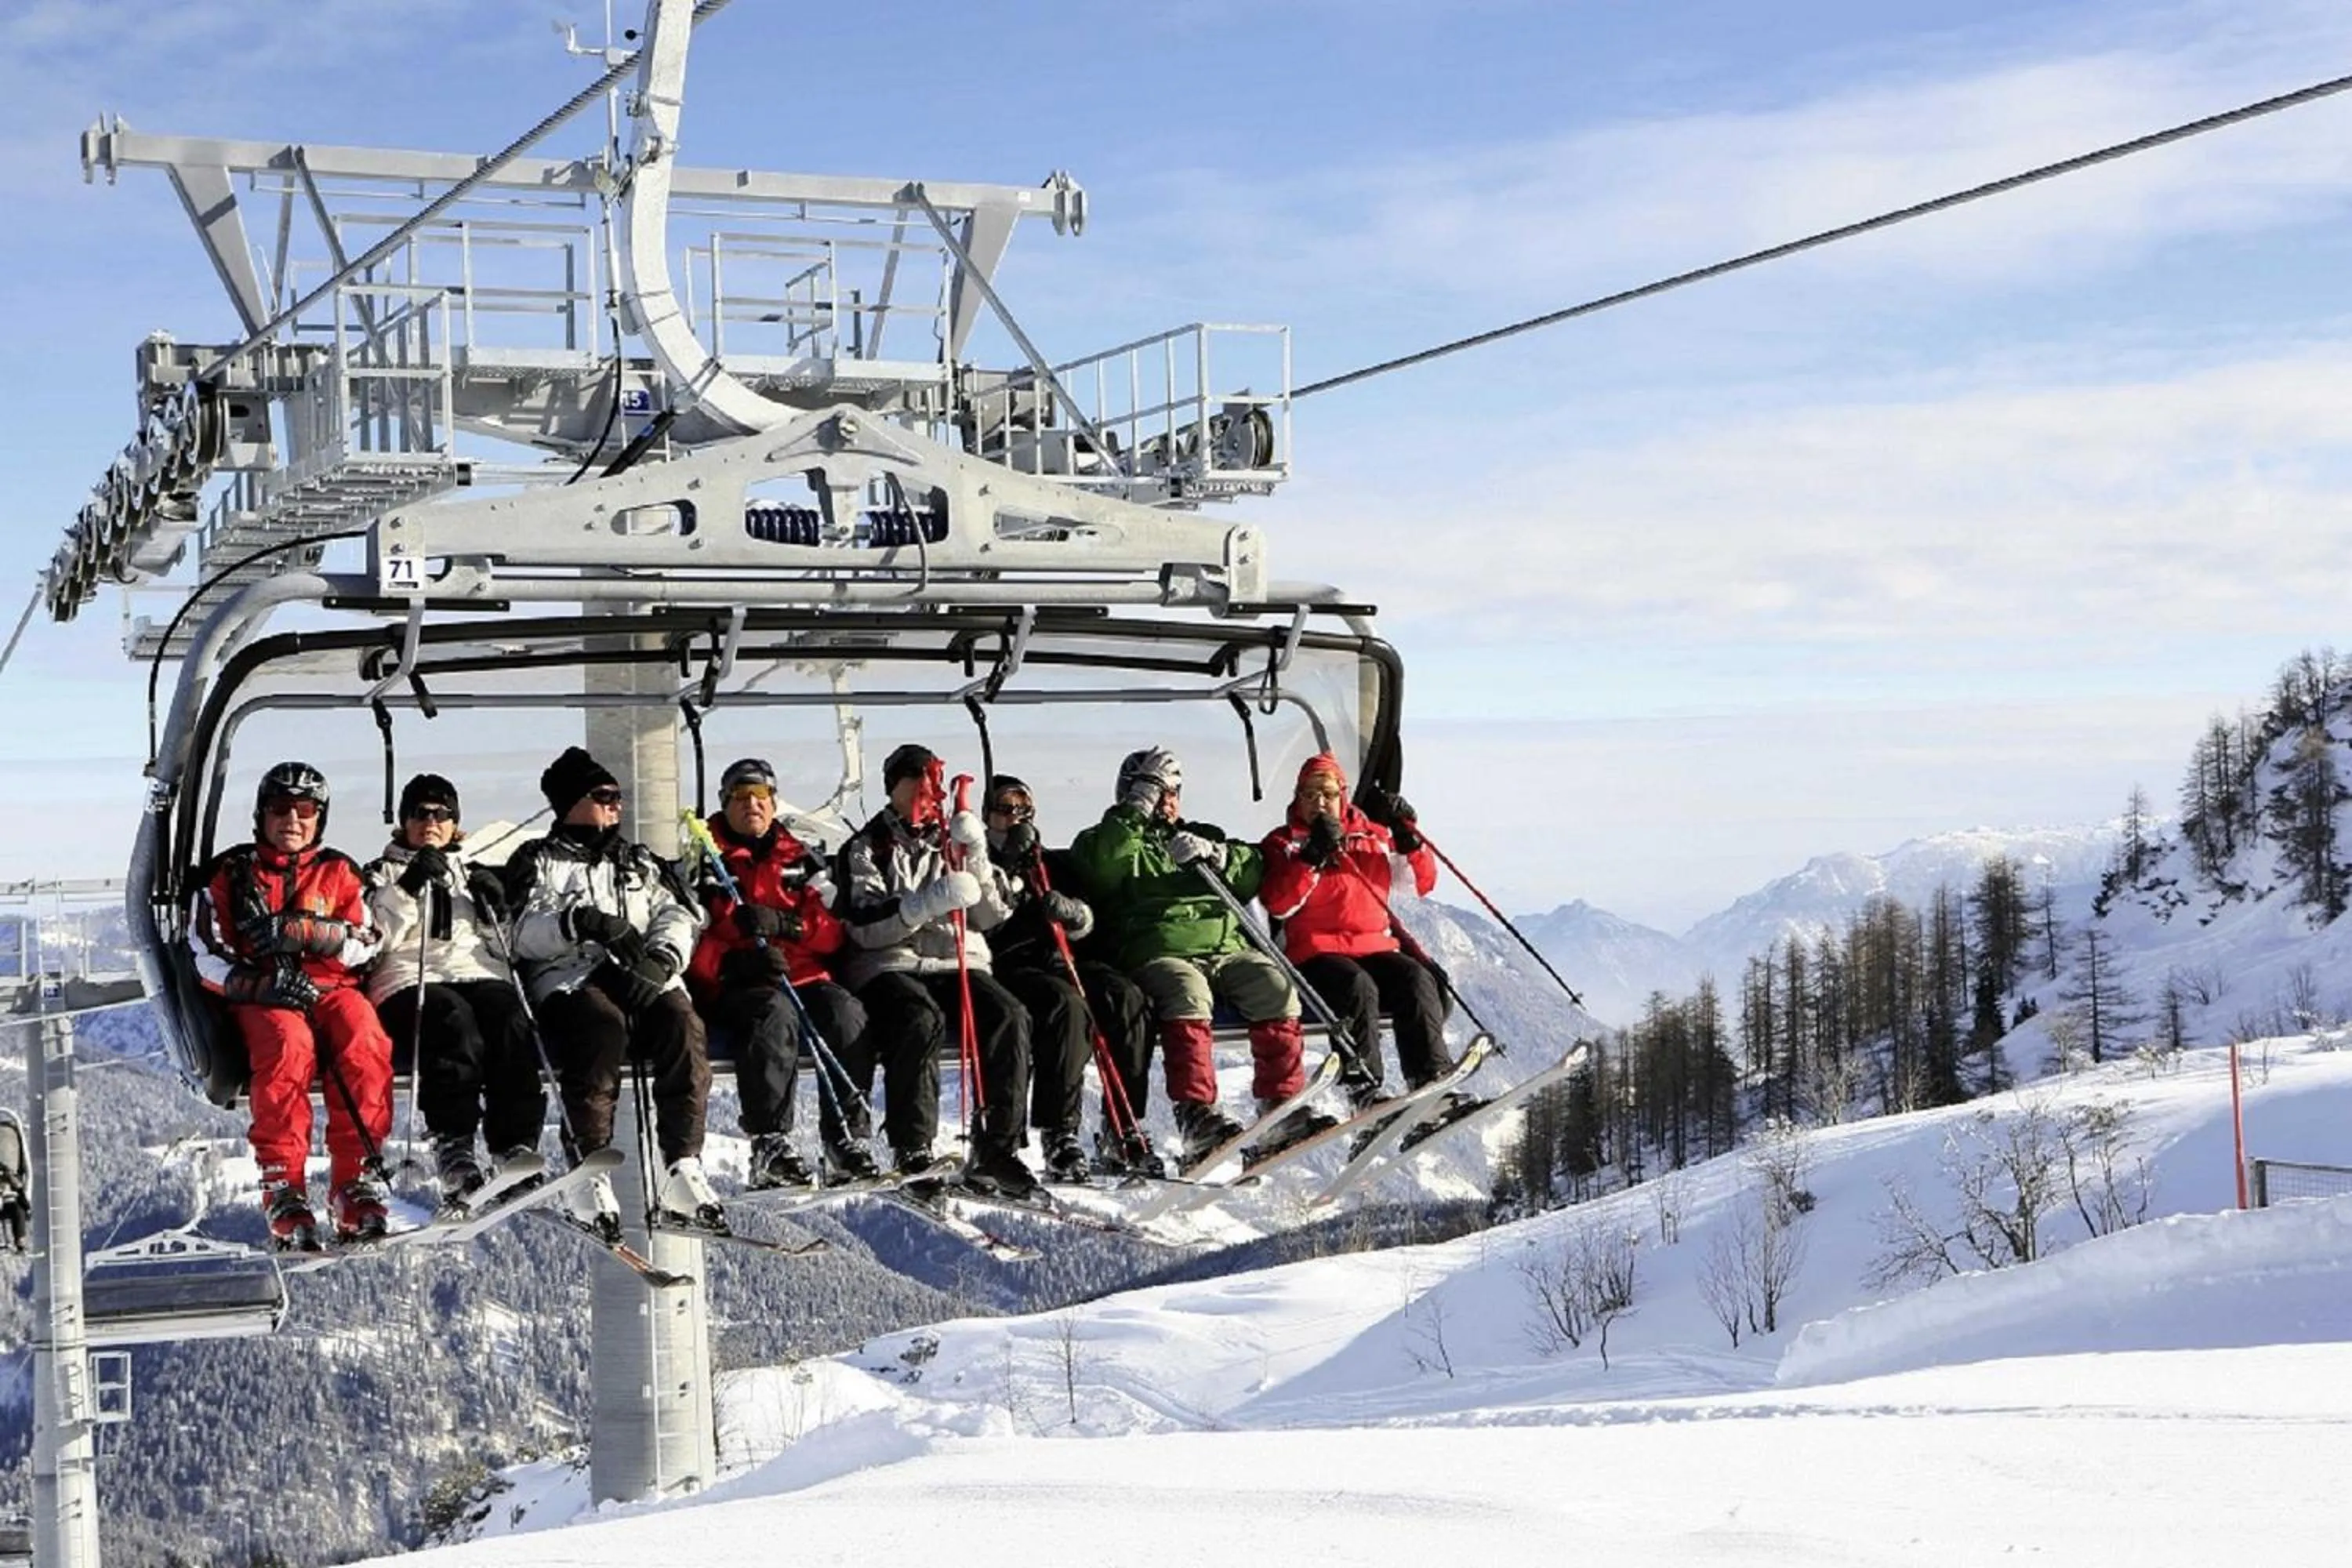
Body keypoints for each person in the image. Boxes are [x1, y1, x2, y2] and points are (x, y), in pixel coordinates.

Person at [1070, 746, 1335, 1167]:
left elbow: (1253, 872)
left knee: (1274, 987)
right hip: (1159, 950)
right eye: (1158, 791)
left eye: (1174, 791)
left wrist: (1217, 854)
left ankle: (1278, 1103)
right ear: (1133, 793)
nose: (1168, 800)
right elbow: (1102, 867)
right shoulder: (1109, 840)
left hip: (1225, 950)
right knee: (1187, 991)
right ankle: (1196, 1114)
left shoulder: (1199, 833)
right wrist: (1136, 809)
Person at [510, 746, 719, 1236]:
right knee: (601, 1031)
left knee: (683, 1026)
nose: (616, 805)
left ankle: (683, 1163)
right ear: (572, 803)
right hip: (570, 978)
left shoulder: (638, 861)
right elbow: (516, 932)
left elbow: (681, 913)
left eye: (618, 796)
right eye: (604, 796)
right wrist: (577, 921)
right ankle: (588, 1168)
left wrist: (662, 958)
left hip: (641, 973)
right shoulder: (537, 861)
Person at [187, 762, 393, 1249]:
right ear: (262, 815)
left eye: (306, 810)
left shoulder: (339, 872)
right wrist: (256, 987)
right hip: (266, 994)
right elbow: (205, 951)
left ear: (320, 818)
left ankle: (354, 1179)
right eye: (281, 809)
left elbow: (368, 941)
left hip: (331, 988)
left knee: (365, 1038)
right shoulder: (232, 874)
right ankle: (284, 1184)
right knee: (287, 1045)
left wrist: (319, 935)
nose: (293, 820)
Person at [837, 743, 1039, 1198]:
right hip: (891, 962)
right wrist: (922, 905)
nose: (924, 789)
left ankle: (997, 1147)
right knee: (918, 1019)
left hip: (956, 958)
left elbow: (992, 916)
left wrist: (978, 854)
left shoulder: (953, 841)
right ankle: (913, 1147)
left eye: (929, 780)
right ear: (894, 787)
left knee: (1009, 1016)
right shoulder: (867, 847)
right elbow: (863, 924)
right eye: (913, 779)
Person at [686, 757, 885, 1187]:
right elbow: (686, 933)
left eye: (761, 796)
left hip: (801, 975)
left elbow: (833, 932)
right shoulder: (704, 862)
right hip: (738, 983)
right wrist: (730, 962)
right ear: (725, 804)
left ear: (774, 803)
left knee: (846, 1014)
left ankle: (845, 1138)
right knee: (772, 1015)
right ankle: (770, 1140)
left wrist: (787, 926)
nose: (752, 805)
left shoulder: (801, 859)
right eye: (741, 797)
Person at [362, 771, 546, 1207]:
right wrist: (407, 889)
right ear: (405, 821)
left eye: (442, 814)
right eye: (422, 813)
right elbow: (371, 938)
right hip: (409, 977)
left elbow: (505, 946)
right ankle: (454, 1143)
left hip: (476, 970)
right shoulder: (380, 873)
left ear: (455, 823)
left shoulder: (471, 872)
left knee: (508, 1019)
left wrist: (494, 909)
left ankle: (514, 1143)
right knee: (451, 1022)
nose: (432, 822)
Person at [982, 773, 1160, 1179]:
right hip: (1014, 962)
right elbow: (982, 918)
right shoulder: (983, 864)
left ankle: (1124, 1124)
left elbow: (1088, 920)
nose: (1014, 819)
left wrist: (1074, 915)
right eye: (1004, 810)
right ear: (988, 817)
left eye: (1022, 810)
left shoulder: (1052, 864)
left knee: (1126, 999)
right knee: (1066, 1006)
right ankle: (1059, 1129)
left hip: (1067, 958)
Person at [1259, 753, 1457, 1109]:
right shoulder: (1284, 843)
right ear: (1297, 797)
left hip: (1373, 944)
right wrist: (1313, 856)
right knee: (1356, 986)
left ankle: (1431, 1077)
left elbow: (1418, 883)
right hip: (1315, 950)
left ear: (1343, 795)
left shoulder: (1372, 837)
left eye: (1328, 793)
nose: (1320, 802)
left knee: (1415, 978)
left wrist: (1408, 837)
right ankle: (1362, 1088)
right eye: (1309, 794)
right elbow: (1279, 904)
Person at [0, 1111, 28, 1252]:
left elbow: (18, 1184)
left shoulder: (7, 1172)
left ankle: (20, 1241)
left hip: (7, 1203)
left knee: (18, 1211)